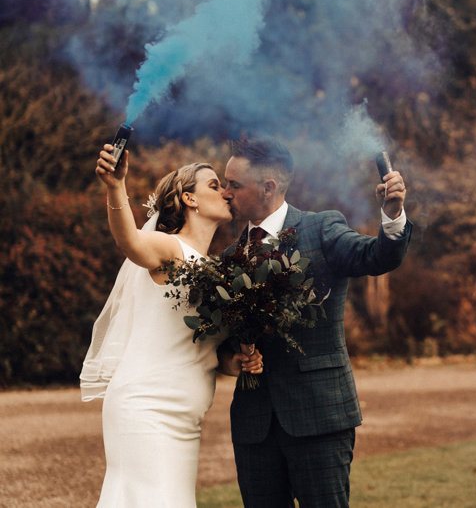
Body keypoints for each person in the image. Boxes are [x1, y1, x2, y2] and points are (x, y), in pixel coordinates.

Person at [221, 137, 412, 507]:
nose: (225, 193)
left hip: (320, 418)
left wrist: (391, 215)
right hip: (254, 427)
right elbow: (224, 337)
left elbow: (375, 257)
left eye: (234, 184)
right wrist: (237, 354)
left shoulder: (321, 230)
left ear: (268, 187)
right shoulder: (229, 258)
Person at [81, 144, 263, 508]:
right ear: (189, 199)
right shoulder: (169, 249)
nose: (225, 191)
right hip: (146, 408)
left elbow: (207, 351)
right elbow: (129, 241)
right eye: (214, 185)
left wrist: (239, 362)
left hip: (186, 420)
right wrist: (116, 186)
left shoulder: (219, 270)